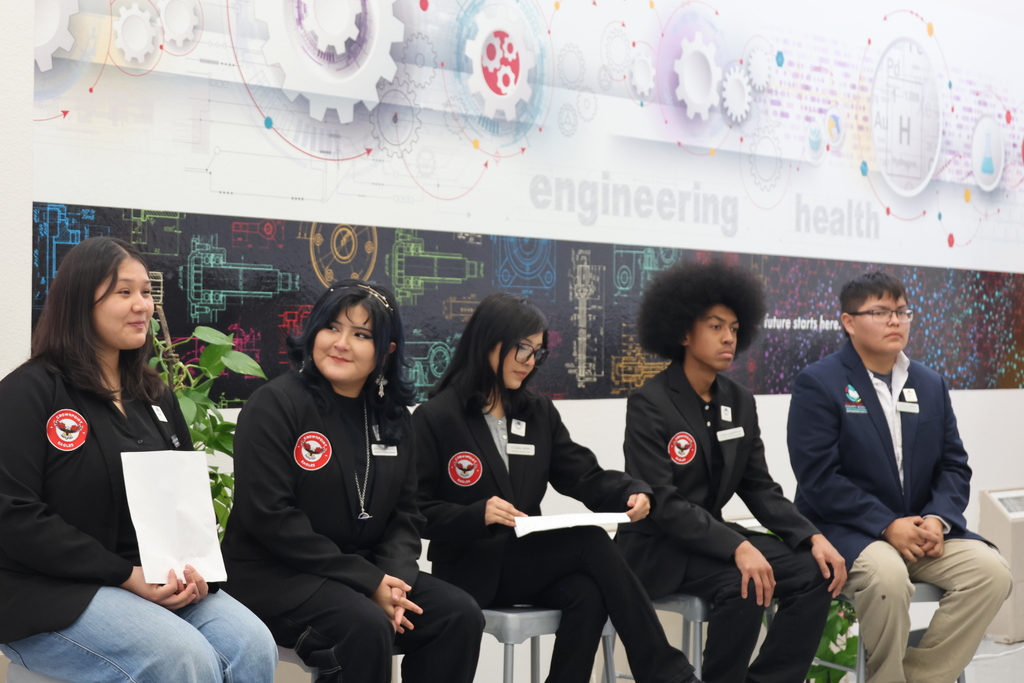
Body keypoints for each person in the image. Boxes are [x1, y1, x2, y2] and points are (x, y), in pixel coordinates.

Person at [0, 237, 276, 682]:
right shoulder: (29, 392)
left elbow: (183, 504)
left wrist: (195, 571)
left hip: (148, 579)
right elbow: (12, 515)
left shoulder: (156, 395)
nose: (142, 305)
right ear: (79, 303)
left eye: (147, 292)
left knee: (252, 644)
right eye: (123, 292)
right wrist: (125, 575)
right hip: (47, 589)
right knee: (182, 657)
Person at [413, 292, 702, 683]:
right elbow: (415, 511)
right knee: (590, 540)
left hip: (526, 562)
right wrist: (474, 515)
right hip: (471, 568)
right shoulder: (437, 417)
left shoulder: (537, 413)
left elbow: (583, 475)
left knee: (588, 592)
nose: (530, 361)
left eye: (537, 352)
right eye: (521, 349)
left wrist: (631, 490)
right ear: (489, 342)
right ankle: (664, 671)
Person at [222, 281, 484, 683]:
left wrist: (394, 581)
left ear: (386, 350)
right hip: (274, 574)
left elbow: (407, 513)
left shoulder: (393, 416)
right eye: (331, 327)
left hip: (363, 571)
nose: (341, 343)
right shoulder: (275, 404)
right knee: (363, 626)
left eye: (361, 334)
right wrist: (369, 582)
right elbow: (271, 517)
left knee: (459, 614)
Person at [617, 260, 845, 683]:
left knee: (814, 571)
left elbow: (759, 488)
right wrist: (738, 547)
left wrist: (811, 536)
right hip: (659, 546)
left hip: (711, 540)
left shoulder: (740, 401)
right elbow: (663, 503)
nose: (728, 338)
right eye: (715, 326)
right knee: (744, 582)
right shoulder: (649, 402)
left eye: (735, 328)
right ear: (684, 333)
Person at [788, 270, 1012, 683]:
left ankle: (919, 678)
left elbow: (953, 465)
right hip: (849, 530)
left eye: (902, 311)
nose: (895, 320)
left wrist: (937, 519)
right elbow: (819, 477)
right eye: (880, 311)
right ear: (848, 322)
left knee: (992, 573)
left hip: (922, 529)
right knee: (886, 577)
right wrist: (885, 525)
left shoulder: (929, 383)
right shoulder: (819, 383)